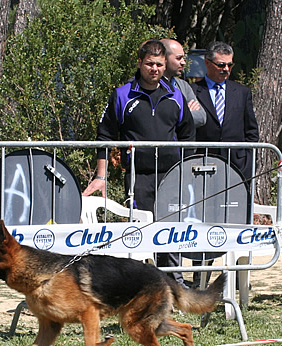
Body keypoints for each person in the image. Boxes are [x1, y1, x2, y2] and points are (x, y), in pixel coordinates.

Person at [82, 39, 195, 284]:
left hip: (171, 175)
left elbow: (188, 136)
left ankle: (174, 286)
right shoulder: (122, 94)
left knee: (172, 233)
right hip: (138, 176)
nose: (154, 69)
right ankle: (141, 289)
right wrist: (100, 176)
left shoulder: (176, 95)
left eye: (159, 65)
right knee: (140, 232)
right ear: (140, 63)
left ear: (165, 66)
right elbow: (104, 136)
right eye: (149, 64)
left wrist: (186, 172)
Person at [191, 41, 259, 182]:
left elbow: (251, 132)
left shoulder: (242, 92)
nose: (226, 69)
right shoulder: (193, 91)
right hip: (202, 165)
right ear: (208, 63)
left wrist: (248, 162)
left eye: (230, 65)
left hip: (237, 166)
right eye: (221, 65)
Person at [160, 38, 207, 129]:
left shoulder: (183, 86)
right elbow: (154, 119)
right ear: (164, 58)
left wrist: (171, 117)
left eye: (183, 58)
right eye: (178, 58)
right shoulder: (148, 85)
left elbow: (201, 117)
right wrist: (185, 112)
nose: (183, 62)